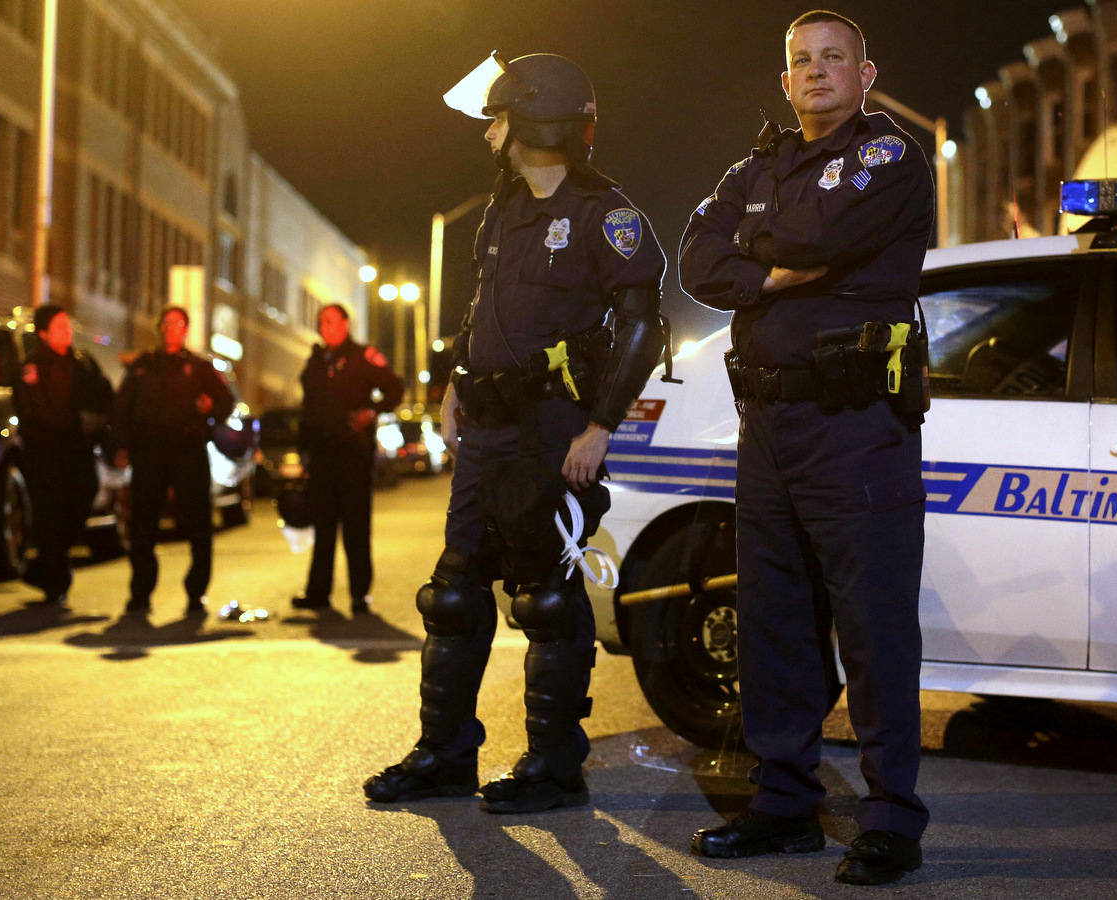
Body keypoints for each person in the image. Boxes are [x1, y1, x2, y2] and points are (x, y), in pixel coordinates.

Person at [363, 52, 668, 815]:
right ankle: (444, 756)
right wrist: (450, 386)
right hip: (487, 425)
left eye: (501, 116)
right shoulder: (501, 212)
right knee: (455, 593)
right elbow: (479, 316)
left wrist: (601, 426)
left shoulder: (609, 214)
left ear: (537, 118)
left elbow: (641, 328)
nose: (491, 131)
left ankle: (554, 766)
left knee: (545, 599)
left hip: (553, 428)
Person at [677, 10, 935, 886]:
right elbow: (696, 261)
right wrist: (768, 268)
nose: (816, 71)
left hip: (859, 425)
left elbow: (816, 238)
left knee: (873, 630)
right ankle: (783, 804)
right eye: (801, 61)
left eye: (834, 59)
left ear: (866, 75)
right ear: (784, 80)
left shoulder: (887, 157)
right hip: (771, 427)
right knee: (774, 624)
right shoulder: (754, 166)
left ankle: (891, 821)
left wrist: (766, 248)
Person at [114, 306, 235, 617]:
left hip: (188, 452)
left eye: (178, 324)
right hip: (150, 453)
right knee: (143, 525)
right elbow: (123, 407)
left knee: (198, 524)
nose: (171, 329)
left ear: (186, 330)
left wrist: (211, 408)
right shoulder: (144, 365)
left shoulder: (199, 368)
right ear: (160, 328)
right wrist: (121, 445)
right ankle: (140, 592)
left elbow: (225, 402)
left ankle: (196, 593)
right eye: (166, 323)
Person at [291, 303, 404, 614]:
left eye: (331, 320)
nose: (325, 326)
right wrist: (302, 454)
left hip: (353, 453)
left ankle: (359, 593)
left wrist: (372, 411)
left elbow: (394, 388)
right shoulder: (316, 360)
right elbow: (307, 410)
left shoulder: (361, 356)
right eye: (321, 321)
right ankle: (318, 592)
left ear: (345, 323)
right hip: (322, 454)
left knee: (355, 526)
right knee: (323, 526)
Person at [13, 306, 114, 605]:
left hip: (78, 452)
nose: (66, 330)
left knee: (83, 498)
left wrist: (98, 421)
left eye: (67, 325)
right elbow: (31, 408)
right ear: (43, 333)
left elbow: (104, 394)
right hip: (46, 454)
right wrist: (72, 423)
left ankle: (44, 568)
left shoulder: (82, 363)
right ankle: (54, 581)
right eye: (59, 326)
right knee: (50, 516)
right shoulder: (32, 367)